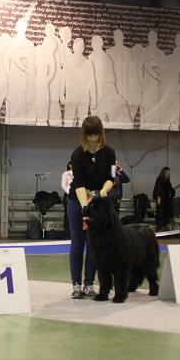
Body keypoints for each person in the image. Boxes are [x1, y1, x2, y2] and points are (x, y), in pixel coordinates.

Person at [68, 115, 116, 299]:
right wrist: (85, 208)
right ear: (84, 135)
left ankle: (89, 284)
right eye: (89, 135)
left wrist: (103, 191)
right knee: (77, 242)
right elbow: (79, 184)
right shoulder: (78, 154)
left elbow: (111, 178)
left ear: (101, 134)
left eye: (96, 134)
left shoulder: (109, 153)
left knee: (94, 244)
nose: (93, 138)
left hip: (98, 201)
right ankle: (76, 285)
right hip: (77, 200)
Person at [152, 166, 179, 231]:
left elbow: (170, 190)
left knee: (166, 215)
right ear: (164, 172)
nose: (168, 174)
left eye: (169, 173)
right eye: (167, 172)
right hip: (161, 200)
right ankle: (159, 228)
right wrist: (158, 197)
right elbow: (157, 188)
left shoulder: (167, 181)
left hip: (167, 201)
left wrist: (176, 188)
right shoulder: (160, 179)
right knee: (160, 214)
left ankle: (164, 228)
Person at [60, 161, 73, 239]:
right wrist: (70, 193)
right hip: (68, 195)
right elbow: (63, 186)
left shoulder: (79, 173)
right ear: (70, 165)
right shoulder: (66, 173)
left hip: (78, 196)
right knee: (68, 215)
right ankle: (68, 234)